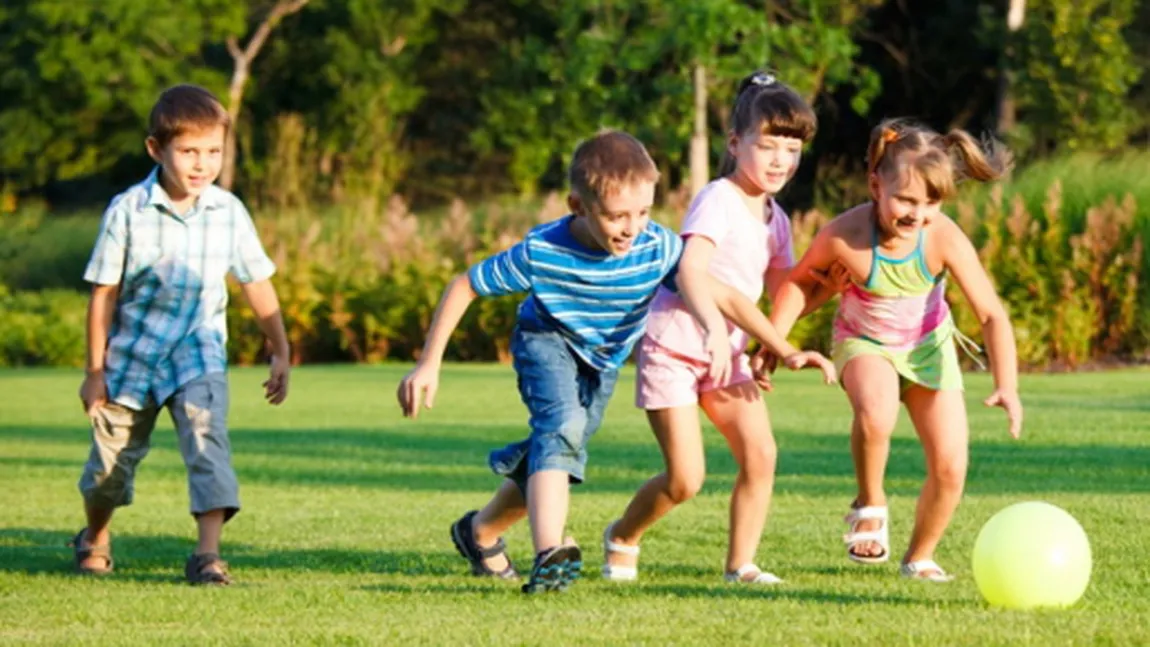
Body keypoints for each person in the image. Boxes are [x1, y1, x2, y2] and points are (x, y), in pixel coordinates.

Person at [396, 129, 828, 594]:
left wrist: (781, 348)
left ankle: (479, 531)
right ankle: (549, 555)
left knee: (560, 448)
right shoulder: (543, 251)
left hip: (601, 360)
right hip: (547, 341)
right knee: (560, 428)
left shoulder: (654, 246)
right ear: (578, 205)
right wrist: (428, 363)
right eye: (617, 216)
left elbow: (720, 293)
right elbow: (466, 284)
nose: (631, 227)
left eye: (643, 212)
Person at [602, 72, 838, 585]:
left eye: (792, 148)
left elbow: (784, 295)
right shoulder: (718, 198)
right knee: (686, 479)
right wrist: (714, 326)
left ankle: (741, 565)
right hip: (676, 345)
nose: (781, 159)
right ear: (735, 144)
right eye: (768, 145)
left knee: (761, 453)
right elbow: (691, 270)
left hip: (725, 354)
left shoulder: (776, 218)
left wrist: (835, 287)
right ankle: (622, 535)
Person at [767, 118, 1024, 582]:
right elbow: (798, 287)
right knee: (877, 412)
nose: (917, 214)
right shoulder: (846, 235)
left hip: (929, 350)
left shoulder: (941, 236)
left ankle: (919, 556)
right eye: (905, 199)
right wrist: (773, 342)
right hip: (864, 343)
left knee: (951, 466)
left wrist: (1007, 385)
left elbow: (991, 315)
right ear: (875, 185)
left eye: (931, 202)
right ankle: (870, 501)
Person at [72, 84, 291, 586]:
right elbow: (103, 295)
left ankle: (206, 556)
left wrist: (280, 350)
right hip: (132, 357)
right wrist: (94, 371)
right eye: (189, 151)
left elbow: (256, 283)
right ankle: (95, 535)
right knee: (109, 470)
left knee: (207, 440)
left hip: (198, 351)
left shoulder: (228, 211)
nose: (201, 164)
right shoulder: (127, 211)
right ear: (156, 149)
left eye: (213, 151)